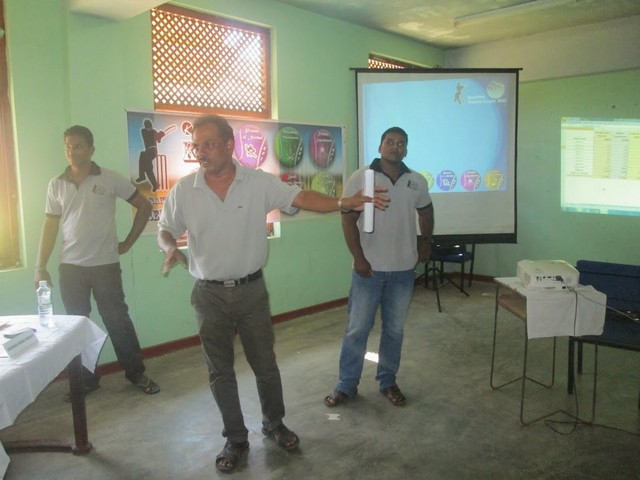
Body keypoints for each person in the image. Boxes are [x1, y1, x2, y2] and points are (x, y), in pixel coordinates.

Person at [157, 114, 388, 473]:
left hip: (250, 291)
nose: (201, 152)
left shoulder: (257, 182)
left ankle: (274, 424)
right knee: (220, 372)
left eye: (209, 144)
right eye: (197, 146)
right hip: (208, 294)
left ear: (229, 145)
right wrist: (170, 246)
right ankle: (236, 438)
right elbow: (165, 229)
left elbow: (302, 196)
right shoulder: (185, 190)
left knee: (265, 365)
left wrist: (343, 203)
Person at [34, 125, 160, 397]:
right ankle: (86, 379)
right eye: (68, 146)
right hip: (71, 268)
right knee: (77, 326)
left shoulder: (110, 179)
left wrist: (127, 243)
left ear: (91, 149)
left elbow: (144, 206)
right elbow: (50, 226)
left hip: (105, 266)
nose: (72, 151)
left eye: (78, 146)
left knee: (117, 320)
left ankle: (135, 372)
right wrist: (40, 266)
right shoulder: (56, 184)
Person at [324, 126, 434, 408]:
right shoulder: (361, 178)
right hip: (368, 270)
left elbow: (426, 211)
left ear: (406, 149)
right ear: (380, 146)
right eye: (390, 141)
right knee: (357, 330)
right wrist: (358, 257)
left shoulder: (416, 181)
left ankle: (387, 381)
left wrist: (426, 241)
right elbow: (347, 218)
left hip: (403, 270)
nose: (395, 147)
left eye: (401, 143)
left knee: (394, 331)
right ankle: (346, 385)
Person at [135, 118, 165, 192]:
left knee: (143, 155)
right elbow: (149, 136)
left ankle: (142, 176)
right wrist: (158, 134)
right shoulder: (143, 131)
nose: (149, 128)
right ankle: (154, 184)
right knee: (148, 167)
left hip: (153, 151)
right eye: (148, 126)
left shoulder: (154, 131)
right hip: (148, 151)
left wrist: (160, 135)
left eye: (150, 126)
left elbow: (158, 140)